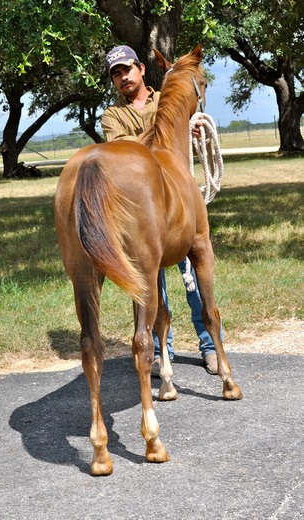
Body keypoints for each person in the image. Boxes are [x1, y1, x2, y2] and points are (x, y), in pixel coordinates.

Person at [101, 45, 221, 376]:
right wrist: (168, 129)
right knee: (152, 285)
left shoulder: (165, 94)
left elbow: (181, 116)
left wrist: (188, 127)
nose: (123, 76)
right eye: (116, 73)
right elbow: (119, 151)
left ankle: (210, 344)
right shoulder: (112, 116)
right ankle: (160, 351)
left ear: (141, 69)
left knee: (197, 277)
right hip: (143, 207)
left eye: (127, 68)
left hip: (176, 200)